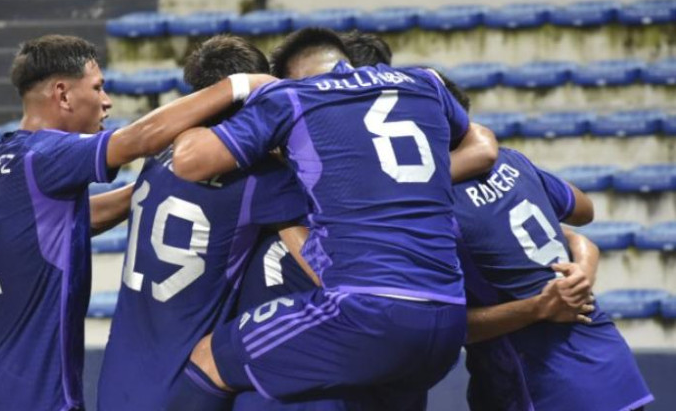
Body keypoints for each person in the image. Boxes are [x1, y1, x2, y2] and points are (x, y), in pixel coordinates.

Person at [159, 27, 500, 410]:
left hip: (370, 312)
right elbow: (481, 143)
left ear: (293, 75)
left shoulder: (291, 96)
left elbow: (189, 161)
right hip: (449, 321)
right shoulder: (426, 82)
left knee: (210, 358)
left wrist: (240, 89)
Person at [0, 34, 273, 410]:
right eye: (97, 88)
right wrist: (241, 84)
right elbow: (138, 139)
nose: (107, 101)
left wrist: (159, 185)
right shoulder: (44, 156)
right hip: (38, 394)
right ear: (63, 95)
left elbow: (78, 220)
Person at [96, 34, 309, 411]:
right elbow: (314, 259)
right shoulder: (260, 178)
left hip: (117, 379)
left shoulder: (161, 152)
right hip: (185, 383)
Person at [453, 147, 654, 411]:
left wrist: (539, 306)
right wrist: (584, 262)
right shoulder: (509, 159)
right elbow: (583, 213)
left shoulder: (433, 204)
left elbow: (450, 327)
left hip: (544, 380)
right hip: (606, 361)